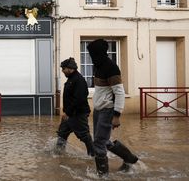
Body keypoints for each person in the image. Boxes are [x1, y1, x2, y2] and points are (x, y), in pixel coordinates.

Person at [87, 39, 138, 176]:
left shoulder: (111, 67)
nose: (91, 56)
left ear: (99, 53)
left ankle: (102, 175)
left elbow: (120, 93)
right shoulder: (98, 66)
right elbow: (100, 90)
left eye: (92, 53)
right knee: (103, 140)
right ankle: (129, 158)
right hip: (99, 110)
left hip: (108, 110)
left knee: (98, 142)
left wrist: (116, 115)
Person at [55, 57, 94, 157]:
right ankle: (58, 154)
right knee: (62, 134)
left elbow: (79, 99)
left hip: (78, 114)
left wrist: (67, 112)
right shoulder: (71, 79)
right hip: (69, 114)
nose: (62, 71)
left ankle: (93, 155)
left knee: (84, 135)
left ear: (70, 68)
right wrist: (67, 112)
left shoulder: (78, 80)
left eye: (63, 69)